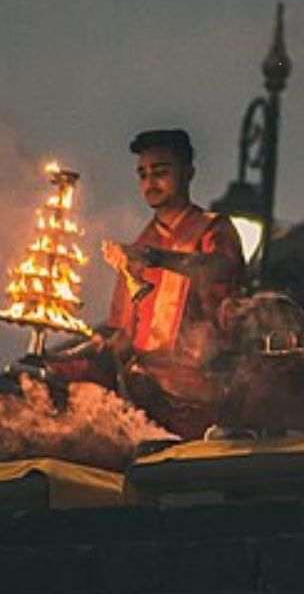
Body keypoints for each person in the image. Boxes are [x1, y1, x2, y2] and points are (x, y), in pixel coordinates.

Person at [50, 129, 245, 438]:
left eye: (160, 172)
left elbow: (220, 269)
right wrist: (81, 353)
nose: (149, 183)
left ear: (188, 173)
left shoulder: (212, 229)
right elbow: (125, 337)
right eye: (142, 174)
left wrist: (158, 259)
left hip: (203, 395)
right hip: (147, 399)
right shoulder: (141, 245)